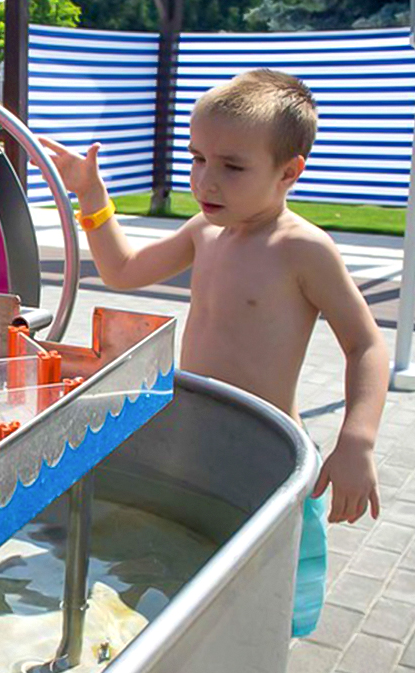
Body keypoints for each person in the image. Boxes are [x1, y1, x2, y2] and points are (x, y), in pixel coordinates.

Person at [39, 69, 388, 638]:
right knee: (188, 568)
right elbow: (123, 270)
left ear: (289, 172)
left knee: (265, 596)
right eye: (197, 158)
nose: (206, 180)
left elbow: (365, 343)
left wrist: (358, 441)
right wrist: (92, 197)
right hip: (196, 437)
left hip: (262, 449)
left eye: (232, 166)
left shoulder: (301, 249)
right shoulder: (205, 231)